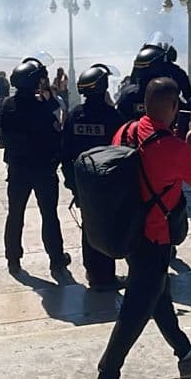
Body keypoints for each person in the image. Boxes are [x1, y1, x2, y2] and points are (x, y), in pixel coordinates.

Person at [88, 78, 191, 379]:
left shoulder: (126, 131)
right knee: (136, 309)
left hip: (129, 232)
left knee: (159, 294)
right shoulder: (173, 147)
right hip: (155, 238)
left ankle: (186, 355)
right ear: (173, 107)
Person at [0, 57, 71, 273]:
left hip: (17, 169)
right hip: (42, 169)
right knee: (49, 215)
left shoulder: (8, 105)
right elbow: (56, 131)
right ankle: (56, 258)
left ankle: (13, 258)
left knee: (15, 214)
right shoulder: (42, 107)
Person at [61, 63, 128, 290]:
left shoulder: (75, 116)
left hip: (83, 182)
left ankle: (93, 273)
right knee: (106, 227)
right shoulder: (112, 117)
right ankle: (105, 276)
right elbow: (122, 152)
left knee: (89, 226)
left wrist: (72, 184)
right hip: (107, 184)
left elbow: (65, 153)